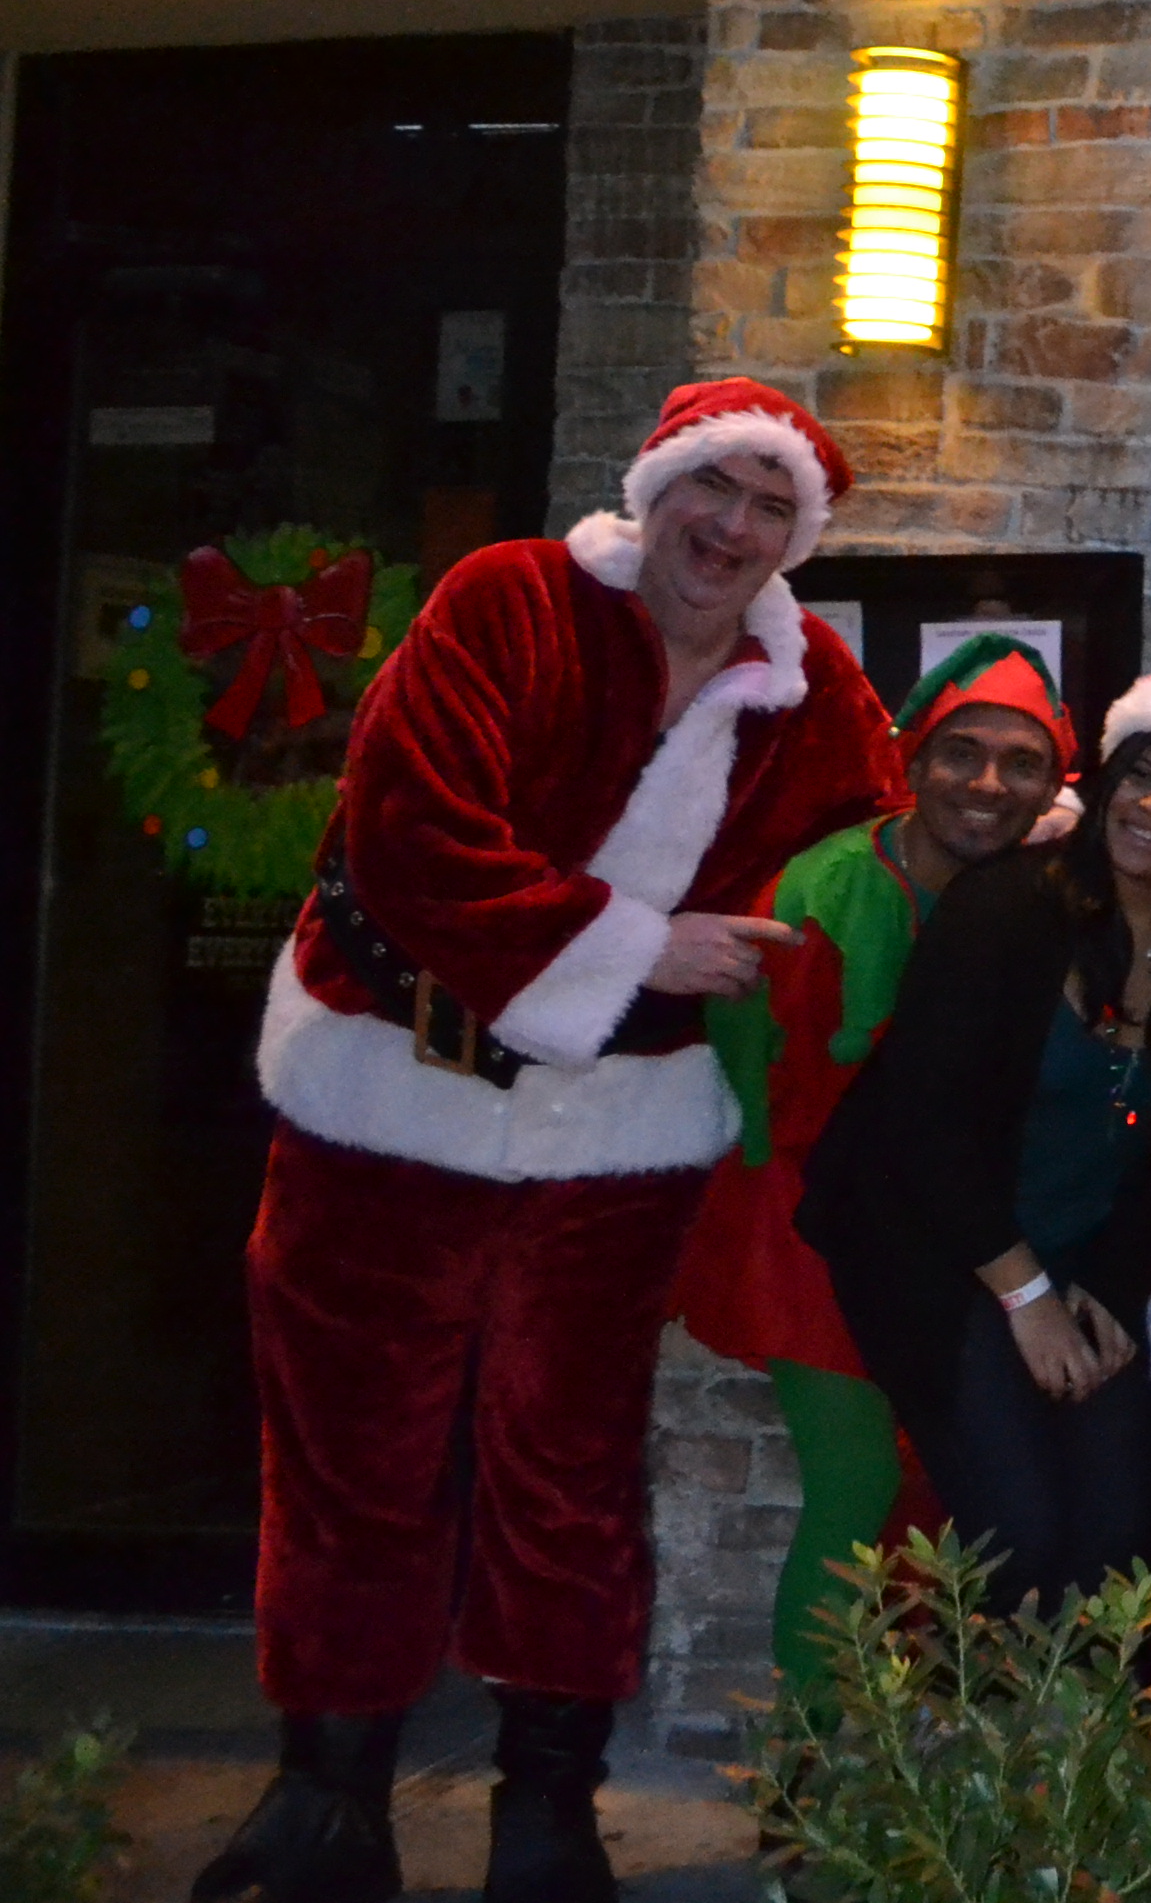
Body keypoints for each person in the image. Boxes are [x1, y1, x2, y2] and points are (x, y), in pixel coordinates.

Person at [204, 379, 898, 1903]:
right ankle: (325, 1798)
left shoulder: (817, 689)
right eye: (713, 486)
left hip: (611, 1144)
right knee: (348, 1457)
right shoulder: (508, 601)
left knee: (568, 1470)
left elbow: (884, 844)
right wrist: (635, 945)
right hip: (387, 1090)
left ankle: (549, 1814)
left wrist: (1019, 846)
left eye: (772, 507)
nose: (732, 527)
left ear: (799, 539)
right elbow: (409, 832)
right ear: (653, 486)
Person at [802, 665, 1151, 1642]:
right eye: (1141, 778)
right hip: (940, 1254)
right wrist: (1027, 1298)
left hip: (1084, 1258)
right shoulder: (1010, 908)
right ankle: (995, 1768)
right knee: (1019, 1535)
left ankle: (1084, 1776)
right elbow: (925, 1128)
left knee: (1123, 1537)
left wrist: (1107, 1289)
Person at [677, 632, 1076, 1701]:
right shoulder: (825, 888)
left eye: (1021, 762)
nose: (988, 783)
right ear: (912, 756)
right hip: (811, 1232)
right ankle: (803, 1799)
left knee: (958, 1506)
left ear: (1056, 784)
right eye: (963, 752)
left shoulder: (1051, 898)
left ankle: (921, 1781)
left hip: (961, 1242)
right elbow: (763, 1070)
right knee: (857, 1491)